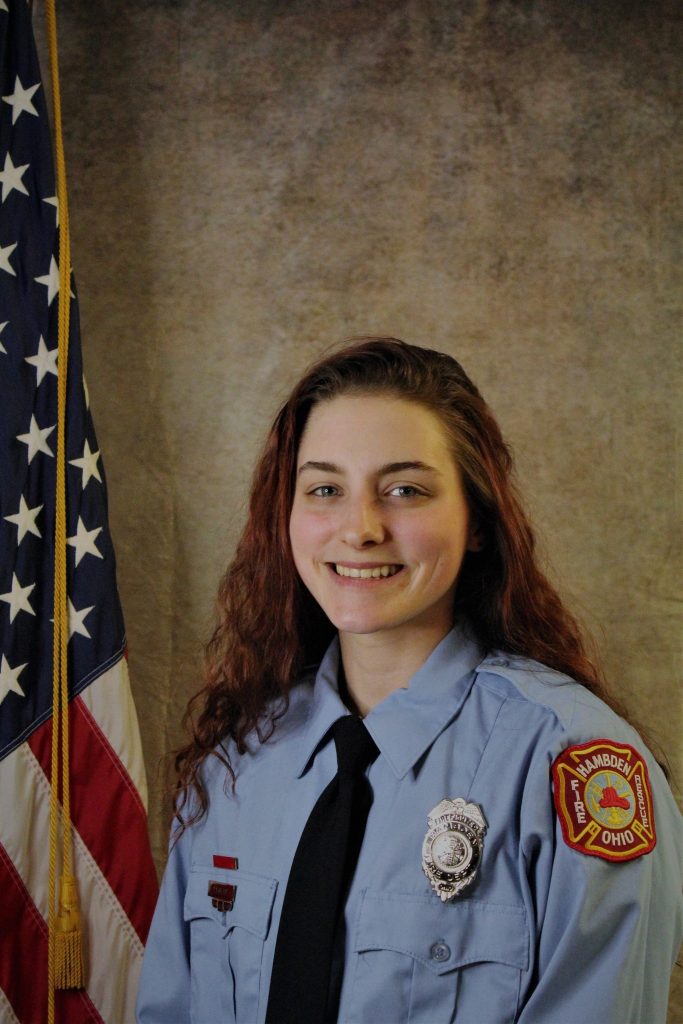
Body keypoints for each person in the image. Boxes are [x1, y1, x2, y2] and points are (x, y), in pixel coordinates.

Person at [137, 337, 682, 1024]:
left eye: (404, 490)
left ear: (477, 520)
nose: (360, 529)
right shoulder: (237, 764)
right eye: (324, 489)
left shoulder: (572, 766)